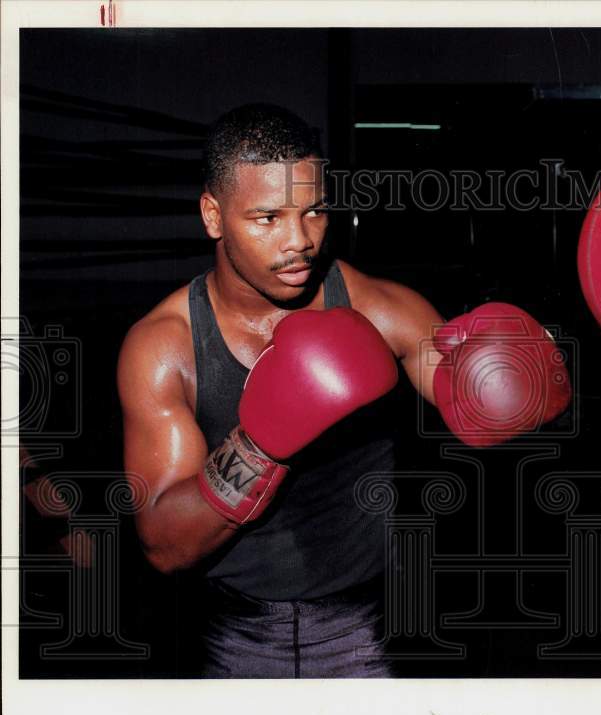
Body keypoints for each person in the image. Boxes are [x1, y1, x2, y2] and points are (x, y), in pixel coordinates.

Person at [117, 104, 570, 678]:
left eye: (314, 211)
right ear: (213, 215)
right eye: (267, 218)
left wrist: (519, 378)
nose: (299, 240)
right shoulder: (164, 347)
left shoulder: (378, 309)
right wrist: (262, 442)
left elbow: (488, 407)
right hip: (230, 633)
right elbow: (163, 544)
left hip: (369, 627)